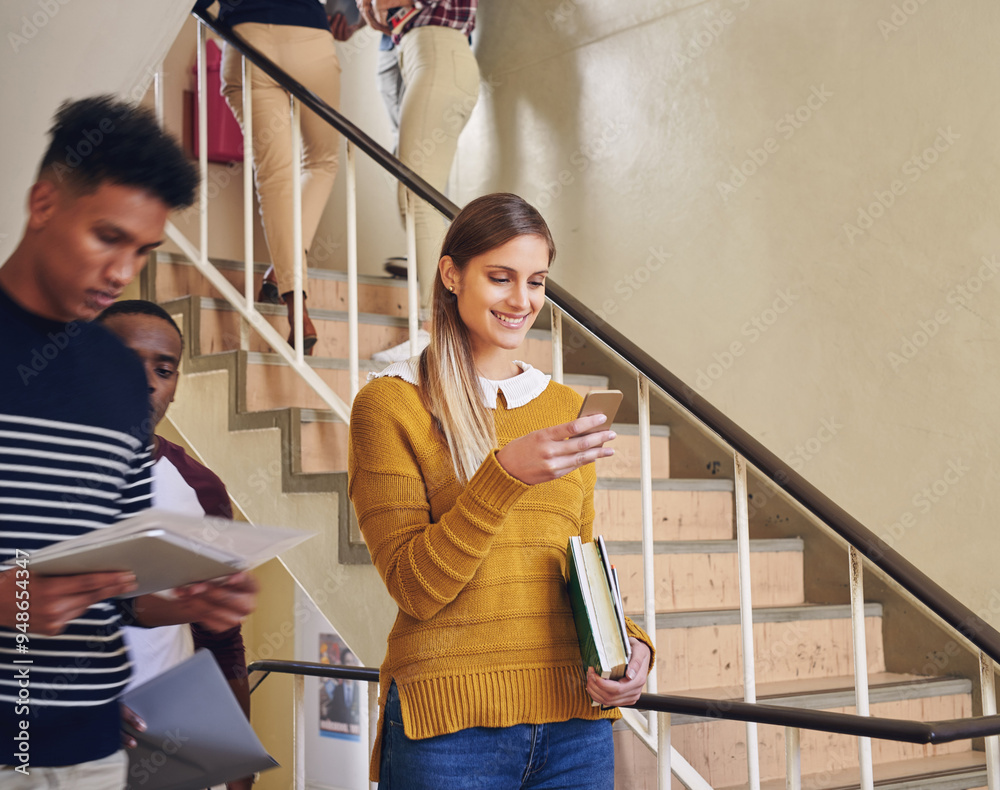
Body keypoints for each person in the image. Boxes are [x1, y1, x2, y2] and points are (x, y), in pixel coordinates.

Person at [347, 193, 654, 788]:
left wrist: (632, 645)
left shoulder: (566, 407)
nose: (522, 300)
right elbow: (414, 587)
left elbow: (576, 564)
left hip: (576, 723)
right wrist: (503, 476)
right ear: (451, 273)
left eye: (536, 281)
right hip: (449, 728)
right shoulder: (391, 405)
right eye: (500, 277)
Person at [0, 95, 258, 789]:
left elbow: (111, 584)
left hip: (87, 748)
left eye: (141, 250)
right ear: (44, 204)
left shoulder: (118, 377)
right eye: (107, 236)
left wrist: (179, 604)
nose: (122, 272)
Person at [97, 300, 253, 790]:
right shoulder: (31, 472)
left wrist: (236, 760)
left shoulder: (198, 488)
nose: (145, 382)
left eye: (163, 370)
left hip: (165, 750)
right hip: (53, 737)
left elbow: (220, 639)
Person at [197, 0, 344, 355]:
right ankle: (286, 271)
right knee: (321, 161)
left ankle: (298, 310)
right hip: (309, 36)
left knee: (275, 176)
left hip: (248, 38)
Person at [352, 0, 481, 364]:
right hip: (421, 49)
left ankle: (432, 333)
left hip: (439, 49)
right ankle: (438, 330)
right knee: (416, 199)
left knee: (416, 198)